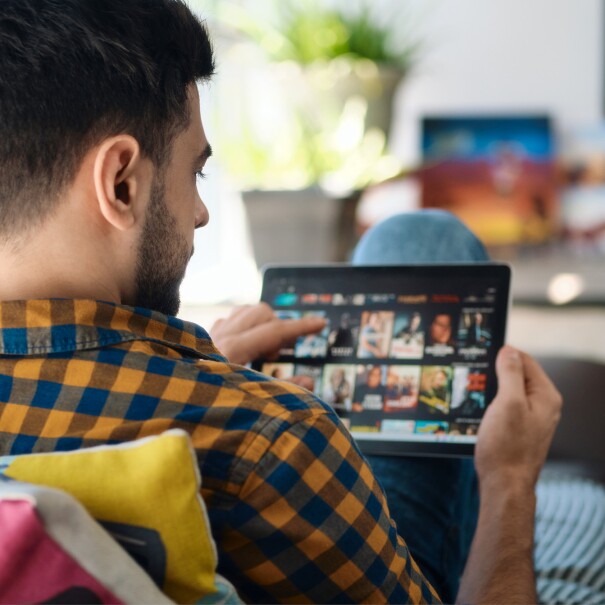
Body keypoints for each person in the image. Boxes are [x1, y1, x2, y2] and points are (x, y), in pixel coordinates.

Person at [0, 2, 562, 604]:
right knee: (426, 240)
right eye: (196, 173)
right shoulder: (275, 438)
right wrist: (510, 478)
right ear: (120, 183)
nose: (200, 213)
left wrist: (202, 369)